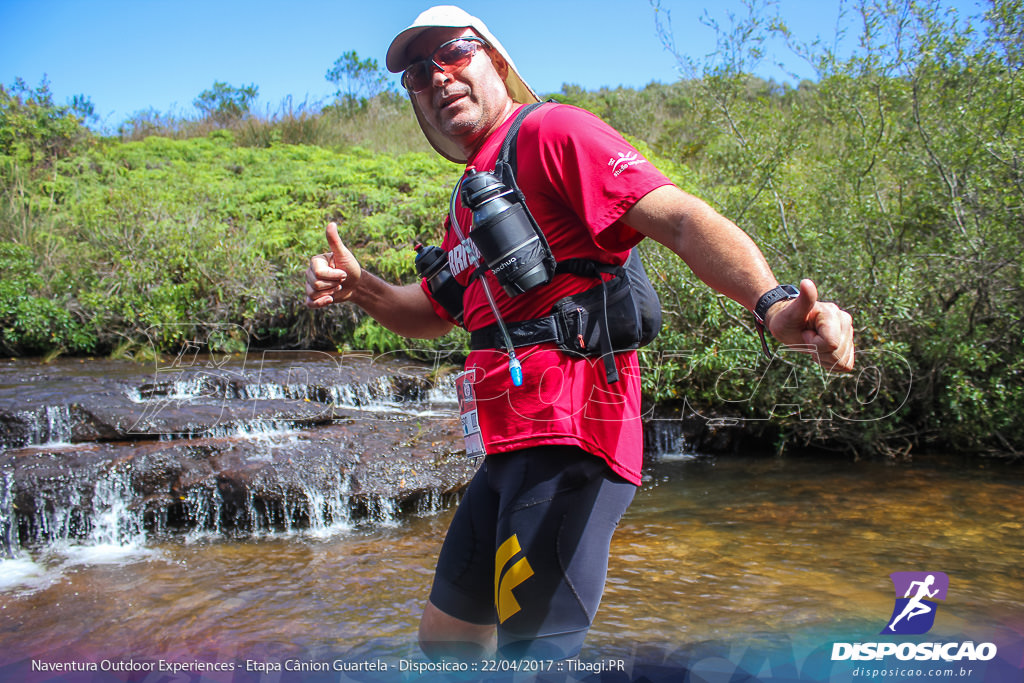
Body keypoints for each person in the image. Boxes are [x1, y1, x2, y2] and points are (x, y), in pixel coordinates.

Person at [304, 5, 855, 662]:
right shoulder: (467, 199)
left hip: (572, 435)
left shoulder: (552, 131)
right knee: (446, 641)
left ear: (498, 62)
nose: (438, 77)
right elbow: (433, 310)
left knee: (536, 659)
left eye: (454, 52)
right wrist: (361, 286)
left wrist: (772, 303)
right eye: (419, 73)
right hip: (507, 449)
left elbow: (678, 218)